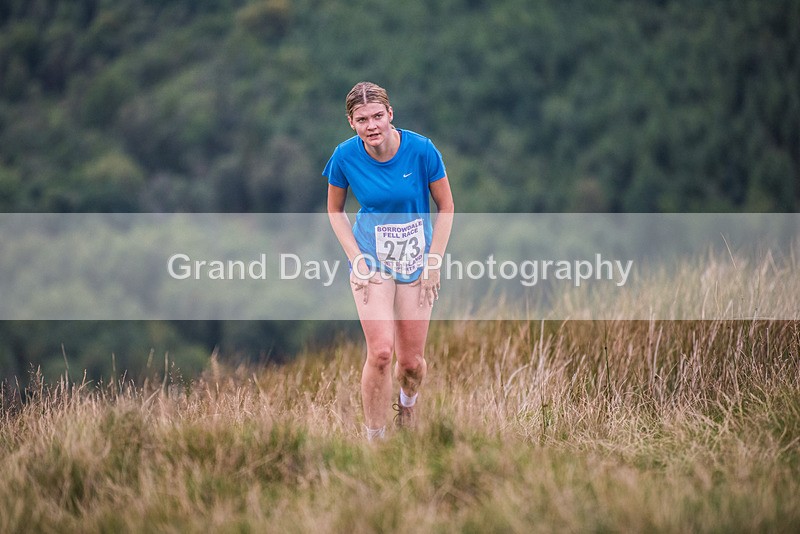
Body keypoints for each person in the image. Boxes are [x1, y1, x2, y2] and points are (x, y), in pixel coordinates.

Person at [324, 81, 454, 441]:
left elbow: (447, 206)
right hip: (371, 261)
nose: (372, 126)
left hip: (416, 263)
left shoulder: (422, 150)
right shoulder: (344, 156)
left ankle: (407, 405)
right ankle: (375, 440)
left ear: (390, 114)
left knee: (410, 364)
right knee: (381, 353)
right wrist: (356, 259)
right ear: (351, 122)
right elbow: (334, 211)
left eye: (378, 116)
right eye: (362, 119)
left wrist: (433, 262)